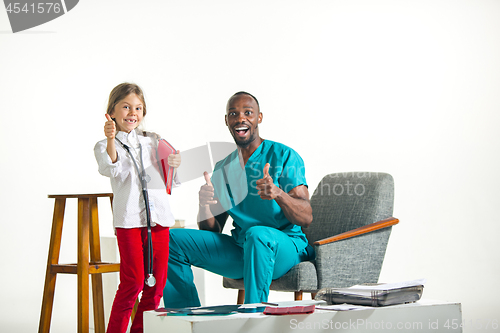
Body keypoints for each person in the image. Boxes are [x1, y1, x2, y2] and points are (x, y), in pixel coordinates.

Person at [163, 91, 314, 307]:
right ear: (227, 121)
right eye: (233, 113)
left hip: (284, 248)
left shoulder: (284, 155)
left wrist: (278, 194)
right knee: (171, 240)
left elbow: (306, 217)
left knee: (257, 234)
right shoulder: (222, 168)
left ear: (259, 118)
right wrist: (204, 206)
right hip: (242, 249)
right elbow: (211, 232)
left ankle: (254, 318)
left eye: (248, 113)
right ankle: (187, 318)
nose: (240, 118)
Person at [94, 83, 181, 333]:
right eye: (126, 106)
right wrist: (111, 140)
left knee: (157, 284)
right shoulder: (104, 145)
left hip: (159, 220)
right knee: (132, 282)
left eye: (138, 108)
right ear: (111, 111)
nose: (133, 112)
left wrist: (174, 163)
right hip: (130, 221)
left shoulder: (153, 141)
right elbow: (112, 169)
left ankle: (141, 330)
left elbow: (169, 179)